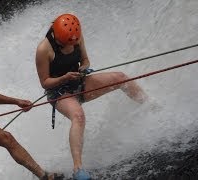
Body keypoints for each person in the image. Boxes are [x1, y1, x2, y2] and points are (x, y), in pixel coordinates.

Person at [35, 14, 147, 180]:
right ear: (57, 36)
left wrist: (83, 69)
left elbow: (85, 61)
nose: (69, 45)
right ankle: (78, 169)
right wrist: (65, 78)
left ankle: (149, 106)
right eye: (65, 43)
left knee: (121, 78)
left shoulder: (76, 36)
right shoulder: (44, 49)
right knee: (78, 116)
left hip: (79, 82)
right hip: (58, 93)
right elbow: (45, 82)